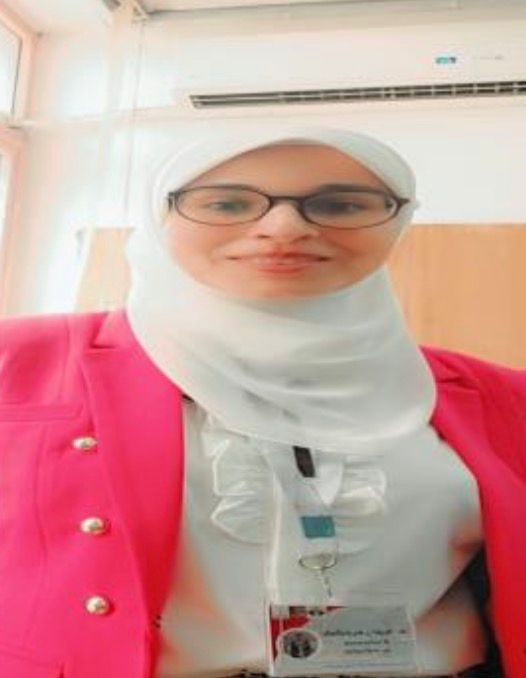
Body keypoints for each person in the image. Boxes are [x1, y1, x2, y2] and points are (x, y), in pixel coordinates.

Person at [0, 125, 525, 678]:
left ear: (398, 219)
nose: (284, 228)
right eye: (226, 203)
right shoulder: (17, 362)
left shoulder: (505, 399)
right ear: (161, 216)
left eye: (340, 204)